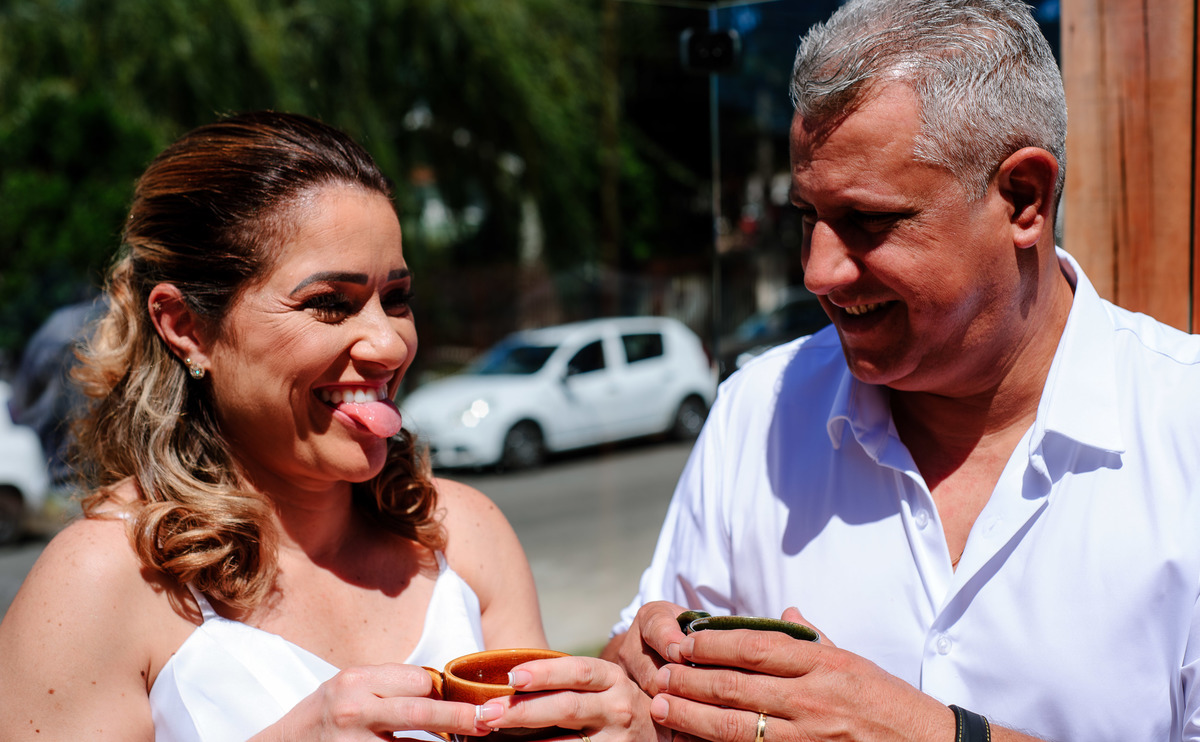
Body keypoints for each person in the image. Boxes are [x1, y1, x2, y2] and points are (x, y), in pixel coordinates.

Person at [604, 1, 1200, 741]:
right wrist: (640, 685)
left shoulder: (1185, 431)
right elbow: (639, 673)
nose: (818, 271)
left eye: (869, 221)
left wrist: (929, 734)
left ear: (1024, 199)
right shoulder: (757, 410)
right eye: (807, 218)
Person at [0, 111, 652, 741]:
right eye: (329, 304)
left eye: (396, 299)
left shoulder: (464, 535)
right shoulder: (101, 580)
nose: (389, 345)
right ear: (186, 327)